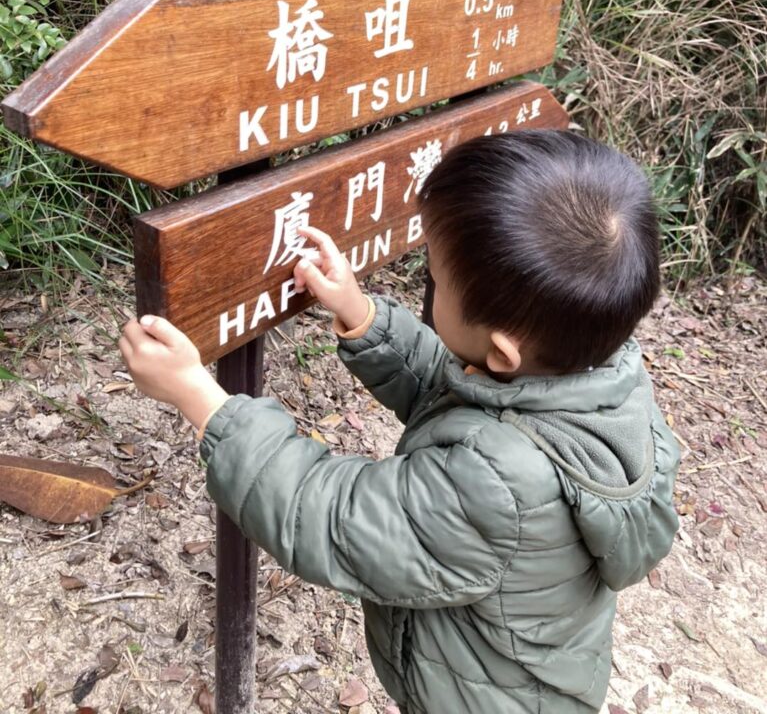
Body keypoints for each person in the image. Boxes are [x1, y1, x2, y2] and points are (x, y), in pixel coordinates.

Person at [120, 129, 680, 714]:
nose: (426, 279)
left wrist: (197, 395)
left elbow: (329, 515)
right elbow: (461, 391)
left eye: (433, 277)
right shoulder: (598, 381)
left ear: (503, 352)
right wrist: (363, 318)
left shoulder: (501, 484)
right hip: (534, 675)